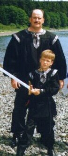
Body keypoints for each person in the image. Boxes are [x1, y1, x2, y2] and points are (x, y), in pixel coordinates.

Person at [3, 9, 66, 147]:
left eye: (39, 18)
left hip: (45, 82)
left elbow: (60, 60)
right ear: (30, 19)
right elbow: (10, 60)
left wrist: (61, 78)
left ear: (43, 20)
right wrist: (13, 78)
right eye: (34, 18)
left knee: (45, 109)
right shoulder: (18, 38)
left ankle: (45, 135)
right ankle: (17, 134)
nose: (37, 20)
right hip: (23, 81)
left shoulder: (51, 38)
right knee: (20, 108)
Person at [17, 49, 60, 156]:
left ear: (51, 62)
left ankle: (49, 147)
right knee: (29, 127)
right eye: (43, 60)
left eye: (48, 61)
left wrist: (40, 91)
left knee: (48, 127)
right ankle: (22, 147)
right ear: (40, 60)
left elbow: (54, 89)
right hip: (34, 105)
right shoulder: (33, 74)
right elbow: (28, 87)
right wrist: (30, 91)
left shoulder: (54, 74)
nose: (45, 62)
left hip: (47, 105)